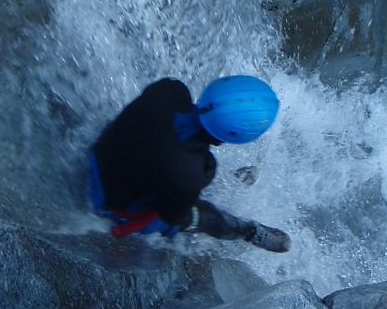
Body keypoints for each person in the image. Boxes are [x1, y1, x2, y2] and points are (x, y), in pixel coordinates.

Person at [88, 75, 291, 253]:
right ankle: (247, 231)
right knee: (203, 215)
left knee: (186, 177)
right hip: (108, 205)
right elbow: (165, 220)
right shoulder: (193, 172)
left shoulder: (170, 90)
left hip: (98, 158)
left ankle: (223, 186)